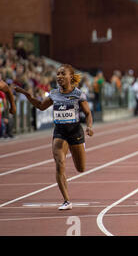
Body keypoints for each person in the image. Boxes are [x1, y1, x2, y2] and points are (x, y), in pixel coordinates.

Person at [14, 64, 94, 210]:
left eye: (63, 73)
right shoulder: (53, 94)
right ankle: (66, 200)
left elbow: (88, 113)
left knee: (81, 168)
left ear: (70, 76)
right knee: (60, 164)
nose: (59, 76)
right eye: (58, 74)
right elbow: (40, 105)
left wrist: (89, 126)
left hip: (75, 131)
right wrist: (26, 94)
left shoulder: (78, 94)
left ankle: (80, 147)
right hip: (60, 132)